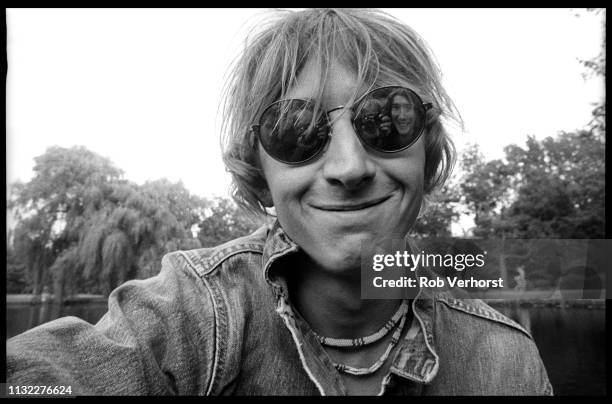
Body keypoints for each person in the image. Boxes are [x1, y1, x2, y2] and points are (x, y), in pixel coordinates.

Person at [7, 8, 552, 395]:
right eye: (297, 131)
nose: (349, 167)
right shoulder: (193, 316)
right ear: (260, 172)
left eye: (389, 118)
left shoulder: (505, 362)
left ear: (425, 155)